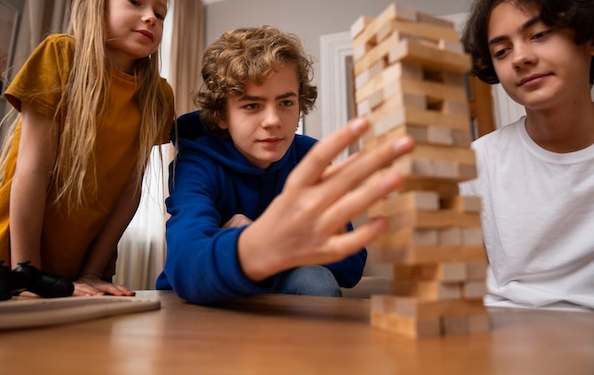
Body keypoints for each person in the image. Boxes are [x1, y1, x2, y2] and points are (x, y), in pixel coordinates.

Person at [156, 26, 414, 304]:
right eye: (252, 105)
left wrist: (274, 240)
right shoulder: (198, 160)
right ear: (222, 115)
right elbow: (185, 258)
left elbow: (351, 266)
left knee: (315, 280)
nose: (273, 120)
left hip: (285, 290)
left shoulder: (310, 156)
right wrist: (253, 246)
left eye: (286, 102)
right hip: (205, 298)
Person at [0, 0, 175, 297]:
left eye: (160, 13)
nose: (151, 17)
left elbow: (130, 191)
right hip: (9, 261)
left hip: (77, 275)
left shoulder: (159, 94)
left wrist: (93, 273)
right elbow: (33, 172)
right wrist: (29, 274)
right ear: (97, 5)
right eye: (135, 1)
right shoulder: (60, 54)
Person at [459, 0, 594, 311]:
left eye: (539, 34)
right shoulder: (477, 161)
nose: (520, 58)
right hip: (503, 327)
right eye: (501, 51)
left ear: (593, 40)